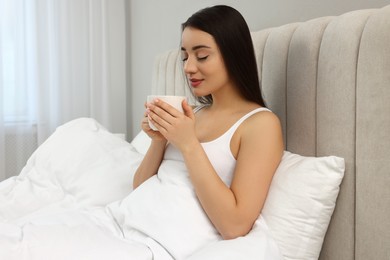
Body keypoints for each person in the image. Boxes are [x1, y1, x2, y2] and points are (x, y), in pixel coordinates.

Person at [134, 4, 283, 243]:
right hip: (130, 222)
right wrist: (158, 142)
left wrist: (189, 144)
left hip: (166, 240)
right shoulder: (190, 113)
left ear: (233, 54)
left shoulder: (260, 125)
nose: (188, 67)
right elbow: (138, 190)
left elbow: (234, 225)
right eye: (184, 57)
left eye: (201, 56)